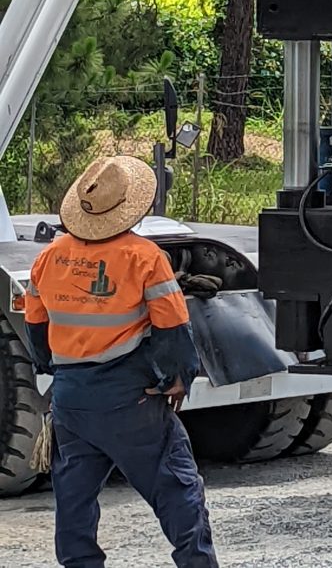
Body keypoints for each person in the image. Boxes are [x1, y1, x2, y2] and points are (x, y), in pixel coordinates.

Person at [24, 155, 219, 568]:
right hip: (129, 398)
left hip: (72, 399)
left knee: (74, 499)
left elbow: (37, 327)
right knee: (176, 487)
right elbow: (172, 327)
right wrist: (179, 378)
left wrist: (54, 370)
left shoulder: (49, 257)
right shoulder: (143, 257)